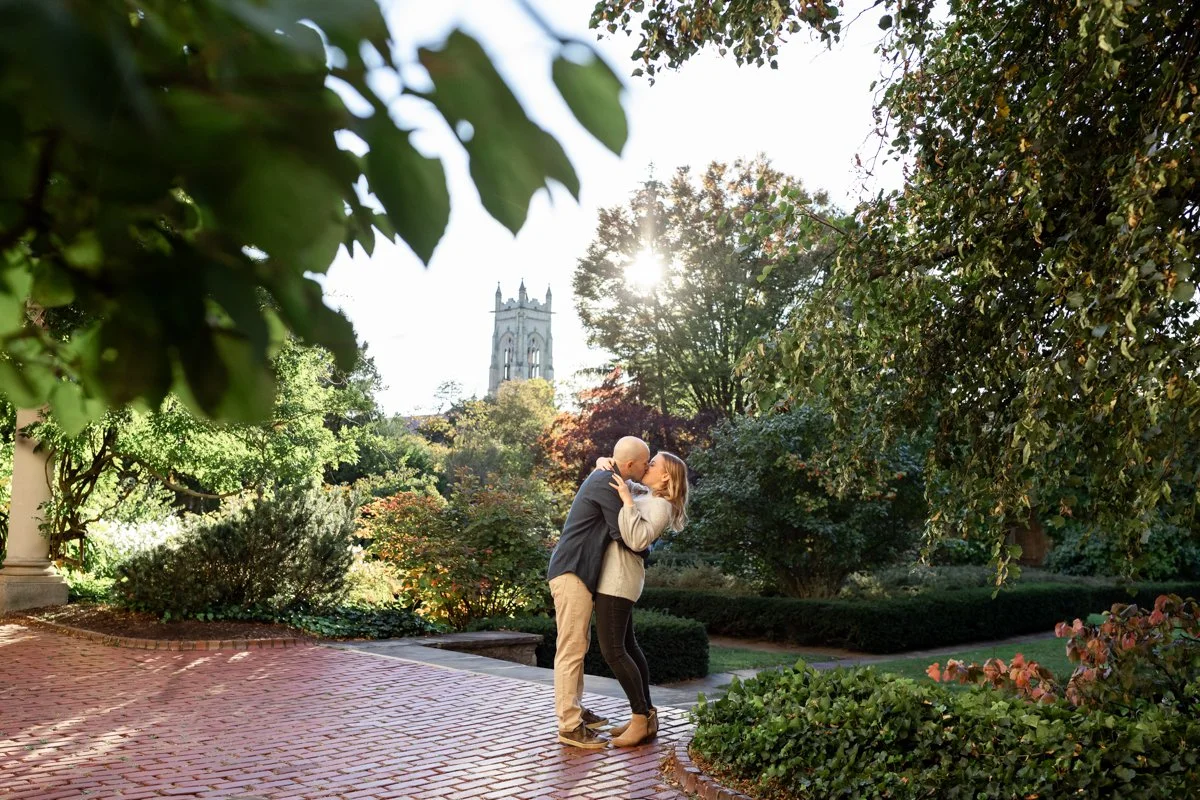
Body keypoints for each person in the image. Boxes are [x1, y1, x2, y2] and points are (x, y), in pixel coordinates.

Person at [546, 436, 651, 749]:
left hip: (577, 572)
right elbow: (625, 535)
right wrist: (647, 548)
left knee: (578, 645)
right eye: (645, 463)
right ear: (629, 464)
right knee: (571, 648)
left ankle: (575, 710)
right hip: (572, 571)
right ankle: (569, 725)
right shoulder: (607, 483)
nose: (648, 467)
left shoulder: (608, 476)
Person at [594, 451, 689, 747]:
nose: (647, 466)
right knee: (629, 647)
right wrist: (602, 462)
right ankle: (647, 714)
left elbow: (637, 541)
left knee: (613, 651)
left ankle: (640, 718)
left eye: (654, 463)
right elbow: (622, 476)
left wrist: (626, 501)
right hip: (617, 578)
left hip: (618, 580)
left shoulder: (662, 505)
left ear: (665, 476)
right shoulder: (647, 495)